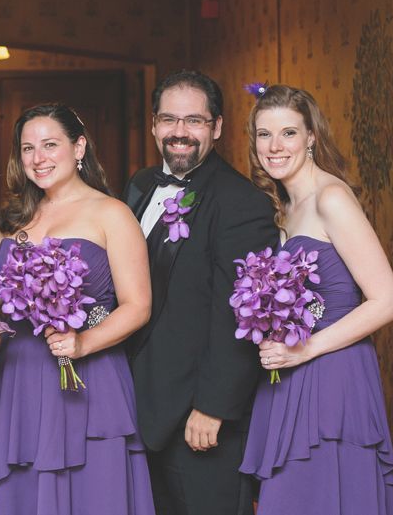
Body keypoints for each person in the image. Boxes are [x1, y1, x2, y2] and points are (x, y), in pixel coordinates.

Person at [0, 103, 155, 515]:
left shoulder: (111, 213)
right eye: (27, 148)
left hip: (88, 374)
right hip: (21, 373)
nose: (38, 158)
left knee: (93, 494)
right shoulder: (14, 218)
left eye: (50, 144)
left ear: (79, 147)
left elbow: (138, 305)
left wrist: (83, 343)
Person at [123, 70, 278, 515]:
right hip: (140, 402)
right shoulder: (140, 184)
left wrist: (213, 406)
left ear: (217, 127)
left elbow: (241, 313)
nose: (180, 132)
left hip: (198, 417)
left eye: (194, 120)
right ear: (154, 125)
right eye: (169, 120)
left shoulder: (241, 202)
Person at [239, 84, 393, 514]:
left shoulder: (332, 198)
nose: (274, 147)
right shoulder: (285, 206)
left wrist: (304, 349)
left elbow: (386, 301)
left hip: (334, 376)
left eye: (288, 133)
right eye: (263, 134)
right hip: (293, 374)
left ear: (311, 136)